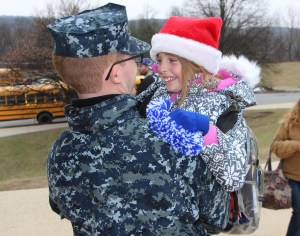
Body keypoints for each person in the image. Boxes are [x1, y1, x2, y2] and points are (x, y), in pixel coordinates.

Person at [47, 3, 229, 235]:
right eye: (134, 59)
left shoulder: (59, 152)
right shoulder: (171, 136)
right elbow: (217, 217)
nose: (138, 66)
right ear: (115, 73)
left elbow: (60, 205)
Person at [137, 16, 261, 192]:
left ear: (196, 63)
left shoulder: (224, 105)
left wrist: (208, 131)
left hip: (199, 217)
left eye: (172, 60)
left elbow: (234, 179)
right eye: (160, 60)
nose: (162, 68)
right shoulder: (154, 92)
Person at [271, 98, 300, 236]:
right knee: (299, 213)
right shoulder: (289, 124)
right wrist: (295, 145)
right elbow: (275, 146)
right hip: (292, 178)